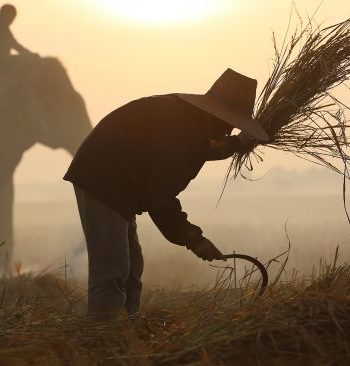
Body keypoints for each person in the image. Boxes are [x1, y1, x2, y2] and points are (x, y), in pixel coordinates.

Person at [64, 68, 270, 320]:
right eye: (229, 122)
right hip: (103, 179)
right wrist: (194, 239)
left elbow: (201, 148)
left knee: (131, 268)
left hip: (119, 183)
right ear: (217, 114)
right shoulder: (184, 131)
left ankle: (127, 331)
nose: (229, 129)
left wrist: (237, 144)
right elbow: (160, 198)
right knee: (111, 271)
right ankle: (101, 340)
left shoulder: (190, 120)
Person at [0, 4, 33, 74]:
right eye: (12, 16)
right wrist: (30, 55)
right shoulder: (1, 26)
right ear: (6, 14)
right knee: (30, 60)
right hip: (2, 63)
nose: (12, 20)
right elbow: (14, 44)